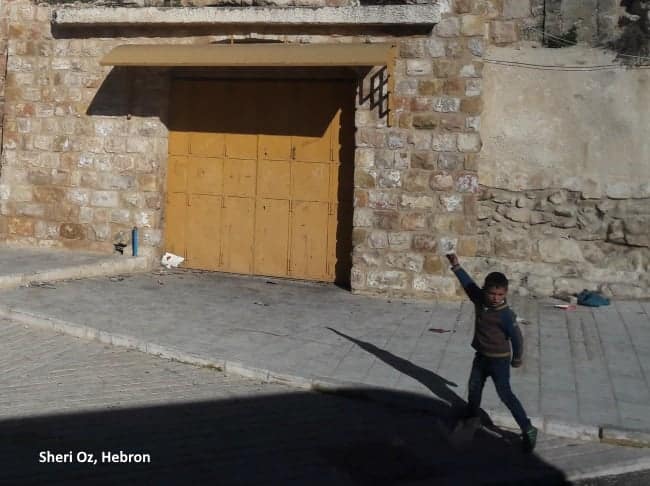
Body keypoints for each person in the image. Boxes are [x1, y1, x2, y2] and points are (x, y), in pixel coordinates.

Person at [446, 253, 538, 453]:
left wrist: (518, 358)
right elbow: (468, 284)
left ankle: (528, 428)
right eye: (492, 294)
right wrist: (456, 265)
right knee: (474, 387)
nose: (496, 298)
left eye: (500, 295)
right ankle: (472, 417)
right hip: (481, 357)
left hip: (499, 361)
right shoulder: (479, 300)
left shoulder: (505, 315)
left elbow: (517, 338)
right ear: (485, 290)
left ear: (505, 293)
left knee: (505, 394)